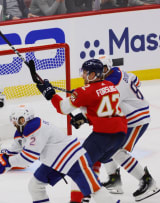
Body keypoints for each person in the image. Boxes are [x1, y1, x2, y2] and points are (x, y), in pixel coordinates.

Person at [0, 104, 120, 203]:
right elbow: (9, 154)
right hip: (55, 163)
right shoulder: (22, 132)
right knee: (35, 186)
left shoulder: (36, 127)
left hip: (74, 159)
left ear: (26, 119)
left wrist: (6, 162)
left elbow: (28, 158)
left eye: (18, 120)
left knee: (94, 189)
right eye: (15, 120)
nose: (15, 123)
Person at [36, 59, 128, 202]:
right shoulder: (110, 85)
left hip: (103, 136)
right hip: (120, 135)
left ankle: (77, 200)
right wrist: (86, 118)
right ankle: (86, 195)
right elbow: (102, 108)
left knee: (77, 164)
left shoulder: (85, 91)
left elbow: (63, 108)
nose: (82, 76)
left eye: (84, 73)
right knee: (93, 162)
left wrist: (50, 94)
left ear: (92, 74)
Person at [97, 55, 159, 201]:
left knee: (118, 152)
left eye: (102, 69)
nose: (99, 72)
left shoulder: (111, 85)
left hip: (136, 120)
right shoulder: (118, 71)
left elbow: (103, 105)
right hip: (127, 117)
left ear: (108, 69)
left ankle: (148, 182)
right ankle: (114, 180)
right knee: (104, 144)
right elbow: (137, 80)